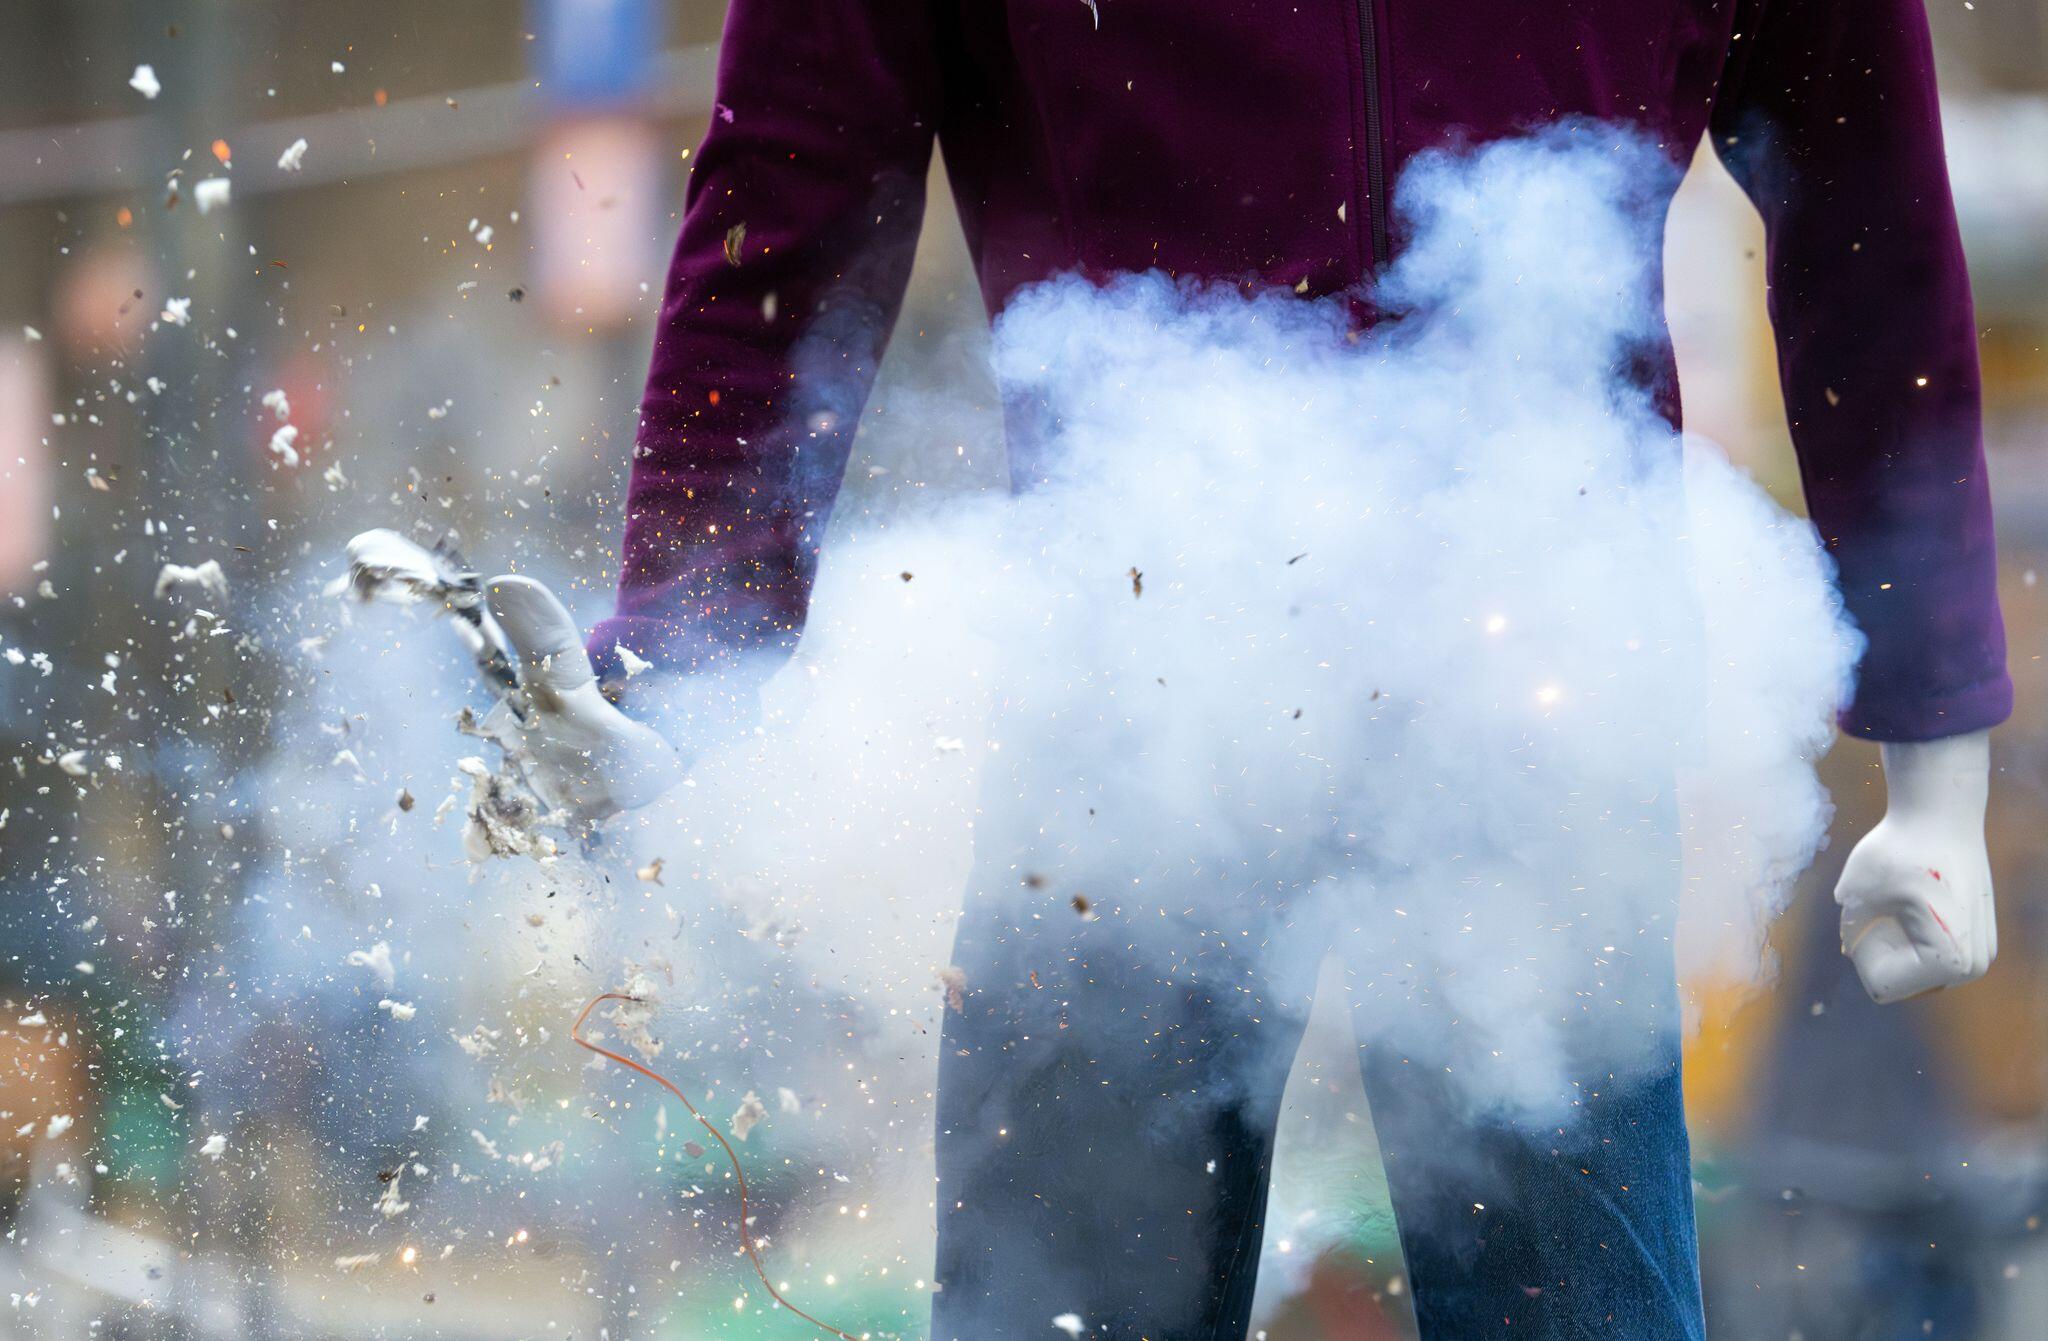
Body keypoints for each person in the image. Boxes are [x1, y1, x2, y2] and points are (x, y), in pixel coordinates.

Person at [478, 0, 2011, 1334]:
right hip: (1134, 715)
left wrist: (1937, 740)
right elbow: (794, 187)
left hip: (1534, 711)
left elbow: (1863, 196)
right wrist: (685, 643)